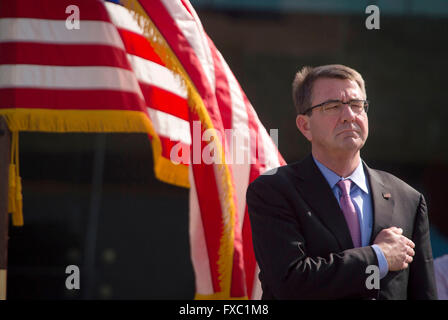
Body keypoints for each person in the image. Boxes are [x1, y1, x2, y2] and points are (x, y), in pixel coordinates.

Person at [246, 64, 438, 299]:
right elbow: (290, 282)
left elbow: (424, 293)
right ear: (305, 126)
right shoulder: (273, 191)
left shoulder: (407, 198)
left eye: (357, 105)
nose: (349, 116)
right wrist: (378, 257)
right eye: (333, 106)